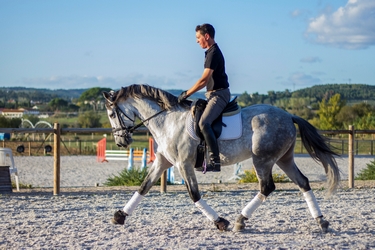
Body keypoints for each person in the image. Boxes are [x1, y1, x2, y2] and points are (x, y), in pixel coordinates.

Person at [178, 23, 231, 172]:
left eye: (198, 37)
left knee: (204, 123)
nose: (196, 41)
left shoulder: (213, 53)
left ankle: (215, 160)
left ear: (206, 36)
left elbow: (204, 80)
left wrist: (186, 93)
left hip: (219, 95)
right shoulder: (209, 52)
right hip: (212, 94)